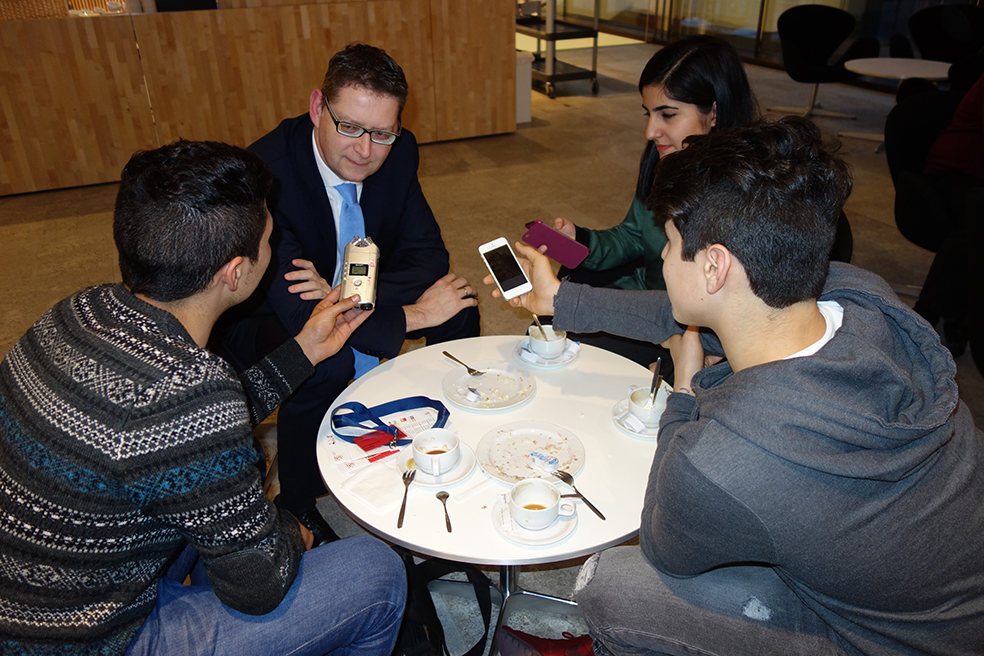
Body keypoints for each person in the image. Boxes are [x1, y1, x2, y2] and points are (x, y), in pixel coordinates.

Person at [492, 118, 984, 655]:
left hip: (890, 643)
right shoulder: (861, 295)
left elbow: (664, 543)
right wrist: (559, 301)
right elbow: (687, 310)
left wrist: (683, 395)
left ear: (714, 266)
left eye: (671, 242)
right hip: (952, 598)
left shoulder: (724, 461)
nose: (660, 255)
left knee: (612, 584)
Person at [0, 140, 407, 655]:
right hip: (91, 640)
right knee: (374, 571)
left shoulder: (78, 311)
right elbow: (263, 585)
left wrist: (304, 350)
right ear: (235, 273)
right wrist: (296, 530)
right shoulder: (191, 393)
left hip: (38, 597)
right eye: (269, 236)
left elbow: (181, 434)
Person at [213, 43, 480, 544]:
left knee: (458, 303)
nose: (364, 150)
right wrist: (411, 316)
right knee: (325, 360)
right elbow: (302, 313)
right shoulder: (265, 173)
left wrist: (347, 290)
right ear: (318, 107)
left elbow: (429, 258)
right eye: (350, 127)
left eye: (382, 133)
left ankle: (448, 441)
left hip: (341, 288)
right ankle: (296, 498)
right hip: (261, 314)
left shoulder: (398, 153)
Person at [545, 36, 757, 375]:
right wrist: (581, 240)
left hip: (686, 323)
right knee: (568, 284)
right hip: (652, 299)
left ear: (715, 112)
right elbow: (633, 235)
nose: (650, 131)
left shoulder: (745, 195)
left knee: (577, 340)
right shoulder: (666, 160)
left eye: (667, 115)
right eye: (649, 113)